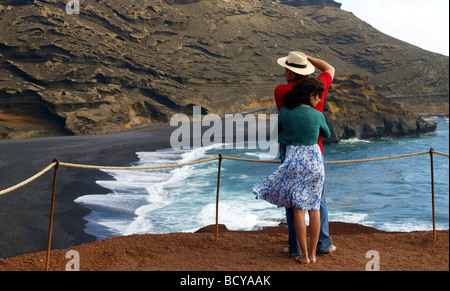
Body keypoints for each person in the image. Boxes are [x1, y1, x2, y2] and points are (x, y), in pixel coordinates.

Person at [253, 77, 331, 264]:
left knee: (298, 210)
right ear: (311, 95)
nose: (319, 100)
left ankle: (303, 255)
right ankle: (313, 254)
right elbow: (327, 134)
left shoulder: (285, 112)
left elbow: (278, 134)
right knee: (314, 209)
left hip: (294, 161)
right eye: (318, 97)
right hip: (314, 163)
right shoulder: (317, 114)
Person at [274, 51, 336, 257]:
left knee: (293, 202)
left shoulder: (281, 91)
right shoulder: (318, 88)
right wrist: (307, 58)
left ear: (291, 72)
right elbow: (329, 69)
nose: (284, 72)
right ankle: (323, 244)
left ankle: (296, 248)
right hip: (314, 153)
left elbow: (280, 127)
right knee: (318, 200)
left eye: (286, 69)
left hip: (290, 152)